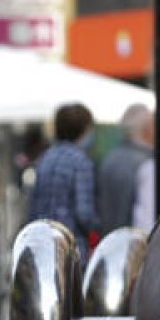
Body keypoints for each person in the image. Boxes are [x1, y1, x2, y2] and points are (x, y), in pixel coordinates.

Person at [27, 102, 100, 258]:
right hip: (71, 246)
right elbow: (84, 213)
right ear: (84, 129)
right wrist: (96, 228)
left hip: (44, 244)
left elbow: (33, 206)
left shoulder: (45, 158)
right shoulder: (81, 162)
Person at [98, 104, 156, 232]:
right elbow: (145, 221)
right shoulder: (147, 164)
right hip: (133, 240)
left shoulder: (110, 159)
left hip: (110, 238)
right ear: (147, 129)